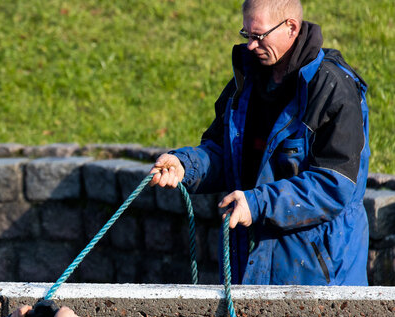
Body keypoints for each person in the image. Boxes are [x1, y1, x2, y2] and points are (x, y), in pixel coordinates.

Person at [150, 0, 369, 285]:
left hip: (318, 275)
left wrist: (257, 204)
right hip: (251, 264)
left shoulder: (333, 89)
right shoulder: (247, 80)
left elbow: (333, 185)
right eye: (246, 36)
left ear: (291, 27)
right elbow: (222, 152)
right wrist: (185, 165)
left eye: (258, 36)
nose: (251, 46)